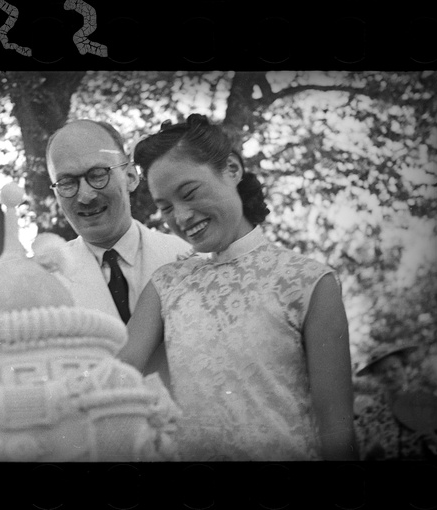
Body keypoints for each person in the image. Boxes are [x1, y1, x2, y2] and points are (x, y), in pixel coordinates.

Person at [118, 114, 358, 461]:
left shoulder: (309, 282)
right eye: (165, 207)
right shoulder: (166, 284)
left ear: (231, 169)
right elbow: (114, 376)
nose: (181, 218)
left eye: (189, 192)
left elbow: (336, 429)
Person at [45, 119, 191, 385]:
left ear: (131, 176)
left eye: (98, 174)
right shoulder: (43, 283)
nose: (85, 195)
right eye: (67, 182)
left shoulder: (190, 259)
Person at [354, 342, 437, 460]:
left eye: (394, 368)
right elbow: (360, 453)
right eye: (381, 372)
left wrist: (433, 438)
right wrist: (370, 451)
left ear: (405, 367)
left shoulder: (425, 402)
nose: (389, 375)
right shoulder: (369, 412)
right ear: (374, 377)